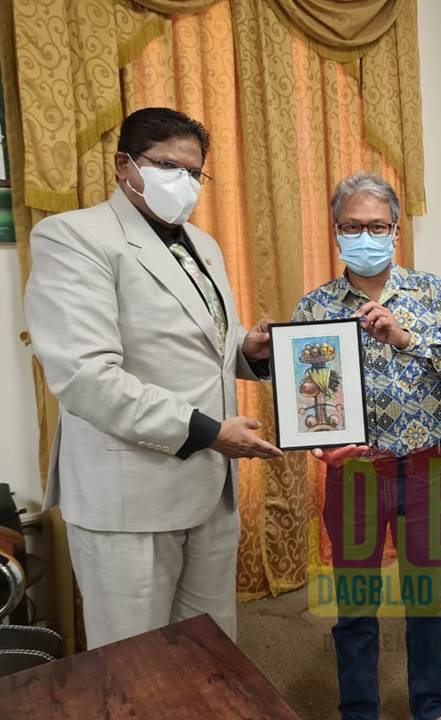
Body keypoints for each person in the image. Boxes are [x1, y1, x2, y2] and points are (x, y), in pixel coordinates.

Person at [24, 107, 282, 648]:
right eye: (167, 166)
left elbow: (204, 344)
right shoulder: (74, 236)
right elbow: (86, 375)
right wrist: (209, 431)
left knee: (210, 646)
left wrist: (247, 350)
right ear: (124, 165)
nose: (182, 182)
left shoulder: (203, 244)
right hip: (132, 493)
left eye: (194, 173)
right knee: (136, 659)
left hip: (210, 484)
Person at [295, 173, 441, 720]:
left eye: (377, 226)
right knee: (355, 607)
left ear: (396, 230)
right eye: (352, 226)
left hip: (421, 473)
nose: (365, 235)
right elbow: (302, 394)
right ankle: (359, 710)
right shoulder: (315, 306)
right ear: (336, 231)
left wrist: (406, 338)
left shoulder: (429, 292)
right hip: (352, 477)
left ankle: (432, 705)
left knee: (426, 600)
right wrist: (317, 444)